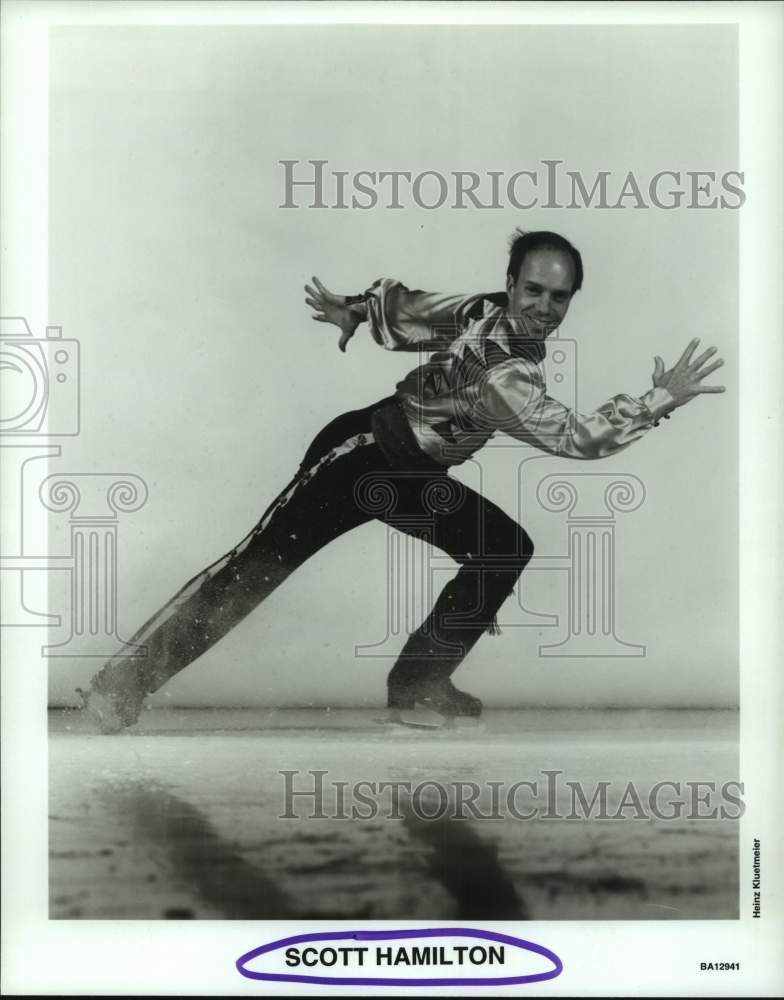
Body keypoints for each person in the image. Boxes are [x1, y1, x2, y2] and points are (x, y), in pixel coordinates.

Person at [78, 230, 725, 733]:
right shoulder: (505, 373)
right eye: (533, 291)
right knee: (255, 570)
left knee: (501, 548)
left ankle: (419, 683)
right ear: (511, 283)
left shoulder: (487, 311)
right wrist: (657, 399)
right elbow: (577, 438)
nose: (543, 308)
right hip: (360, 457)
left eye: (559, 298)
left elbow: (412, 311)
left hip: (414, 475)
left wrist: (362, 310)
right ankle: (117, 690)